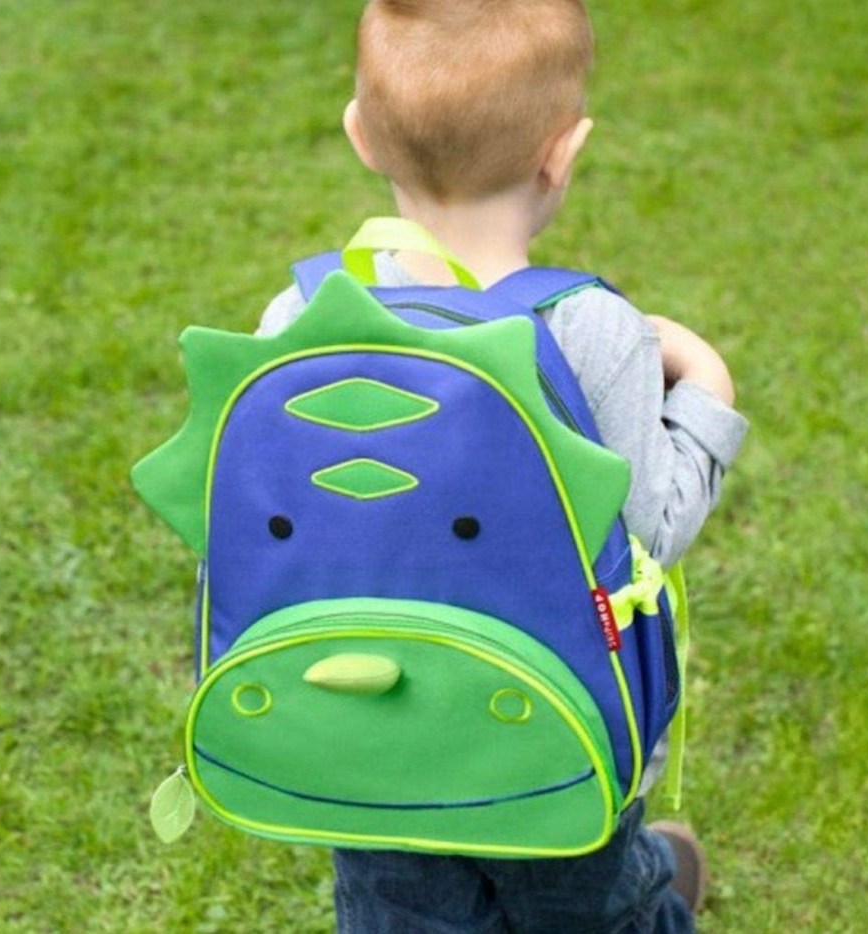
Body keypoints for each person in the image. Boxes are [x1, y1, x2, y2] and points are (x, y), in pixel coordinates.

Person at [257, 1, 748, 930]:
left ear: (361, 135)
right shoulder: (591, 330)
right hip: (555, 725)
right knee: (586, 897)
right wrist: (707, 389)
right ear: (563, 152)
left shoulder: (298, 316)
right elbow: (646, 532)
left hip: (359, 713)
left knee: (399, 905)